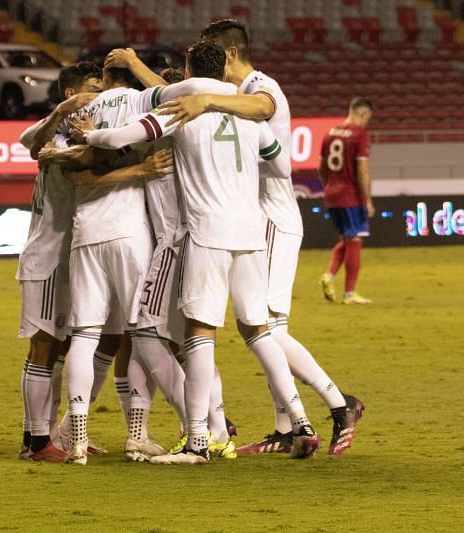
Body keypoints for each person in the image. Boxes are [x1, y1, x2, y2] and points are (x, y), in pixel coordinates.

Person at [86, 41, 321, 464]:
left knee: (198, 334)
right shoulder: (246, 109)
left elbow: (122, 136)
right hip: (250, 233)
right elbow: (281, 166)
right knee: (260, 330)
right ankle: (301, 422)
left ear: (191, 67)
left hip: (207, 233)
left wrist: (88, 134)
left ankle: (199, 440)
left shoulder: (184, 107)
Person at [139, 19, 363, 457]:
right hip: (248, 218)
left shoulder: (263, 91)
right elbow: (187, 96)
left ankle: (339, 405)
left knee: (268, 328)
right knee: (255, 328)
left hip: (270, 218)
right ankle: (288, 429)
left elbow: (277, 160)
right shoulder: (231, 96)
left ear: (227, 56)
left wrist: (213, 120)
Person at [15, 62, 103, 462]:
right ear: (71, 93)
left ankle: (50, 435)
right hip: (48, 256)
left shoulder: (88, 134)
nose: (98, 95)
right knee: (44, 347)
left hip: (74, 256)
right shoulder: (54, 136)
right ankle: (34, 443)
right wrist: (61, 115)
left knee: (63, 348)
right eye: (91, 88)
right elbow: (30, 143)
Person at [318, 97, 375, 306]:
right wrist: (367, 199)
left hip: (331, 194)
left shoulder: (329, 133)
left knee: (346, 239)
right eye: (368, 117)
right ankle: (349, 293)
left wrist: (330, 185)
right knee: (355, 241)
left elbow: (320, 167)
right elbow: (362, 169)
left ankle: (329, 276)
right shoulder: (359, 135)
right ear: (363, 113)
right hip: (351, 196)